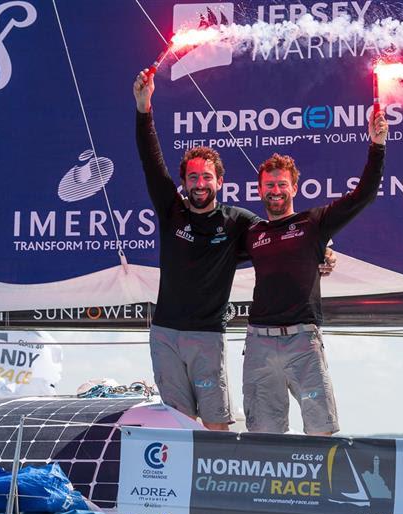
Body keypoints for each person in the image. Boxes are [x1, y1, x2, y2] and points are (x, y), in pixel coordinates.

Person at [132, 68, 336, 430]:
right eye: (192, 177)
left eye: (206, 177)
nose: (199, 183)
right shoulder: (171, 211)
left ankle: (214, 483)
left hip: (208, 337)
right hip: (164, 333)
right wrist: (144, 108)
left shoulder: (238, 222)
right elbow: (151, 163)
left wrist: (323, 248)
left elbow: (284, 237)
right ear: (183, 183)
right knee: (178, 423)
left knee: (215, 423)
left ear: (220, 181)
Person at [242, 111, 389, 435]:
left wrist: (377, 146)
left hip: (302, 342)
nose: (276, 190)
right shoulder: (253, 232)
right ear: (259, 190)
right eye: (269, 185)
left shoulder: (314, 223)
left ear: (295, 186)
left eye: (282, 184)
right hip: (259, 344)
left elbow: (362, 196)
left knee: (320, 430)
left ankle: (319, 486)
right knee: (264, 434)